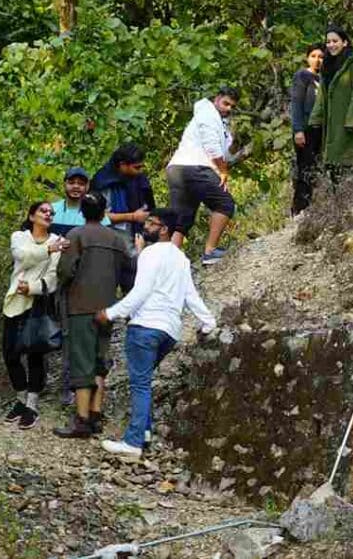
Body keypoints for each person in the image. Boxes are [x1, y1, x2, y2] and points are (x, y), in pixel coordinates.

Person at [95, 208, 217, 459]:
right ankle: (146, 431)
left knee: (140, 384)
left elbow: (141, 292)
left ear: (164, 229)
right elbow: (190, 295)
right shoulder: (181, 259)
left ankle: (133, 443)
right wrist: (208, 322)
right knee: (145, 380)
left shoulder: (151, 253)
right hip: (169, 331)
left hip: (145, 326)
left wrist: (111, 312)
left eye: (151, 223)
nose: (145, 225)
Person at [53, 192, 133, 438]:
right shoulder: (118, 239)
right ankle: (96, 414)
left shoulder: (76, 236)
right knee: (100, 361)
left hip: (80, 306)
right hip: (107, 308)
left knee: (81, 362)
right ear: (104, 212)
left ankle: (82, 421)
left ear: (82, 212)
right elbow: (128, 274)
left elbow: (65, 271)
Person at [3, 201, 69, 430]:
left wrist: (31, 288)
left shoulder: (56, 241)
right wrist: (47, 251)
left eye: (51, 212)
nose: (48, 214)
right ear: (32, 216)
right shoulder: (19, 237)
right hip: (14, 302)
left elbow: (52, 278)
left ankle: (32, 404)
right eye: (43, 210)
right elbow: (22, 256)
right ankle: (20, 398)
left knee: (35, 353)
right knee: (10, 353)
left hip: (38, 301)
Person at [165, 87, 240, 266]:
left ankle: (169, 261)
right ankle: (210, 251)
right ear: (217, 98)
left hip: (176, 168)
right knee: (225, 203)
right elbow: (213, 149)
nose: (228, 108)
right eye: (225, 103)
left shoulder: (217, 121)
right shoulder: (207, 114)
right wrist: (223, 171)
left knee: (182, 217)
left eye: (232, 106)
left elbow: (224, 152)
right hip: (194, 167)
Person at [308, 25, 353, 186]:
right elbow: (321, 95)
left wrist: (352, 119)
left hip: (347, 123)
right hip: (330, 122)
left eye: (335, 41)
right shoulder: (326, 65)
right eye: (328, 42)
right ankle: (338, 204)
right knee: (333, 166)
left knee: (347, 164)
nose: (331, 45)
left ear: (345, 42)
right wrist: (315, 118)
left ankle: (350, 204)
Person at [92, 143, 156, 246]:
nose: (140, 171)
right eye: (136, 167)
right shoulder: (105, 182)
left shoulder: (140, 180)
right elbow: (98, 217)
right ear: (122, 165)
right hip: (112, 239)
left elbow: (150, 208)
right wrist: (132, 217)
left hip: (141, 236)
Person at [289, 44, 323, 214]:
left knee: (316, 168)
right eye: (314, 56)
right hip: (305, 129)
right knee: (305, 169)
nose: (317, 60)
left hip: (321, 130)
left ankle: (312, 207)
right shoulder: (302, 76)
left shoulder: (324, 78)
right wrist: (298, 130)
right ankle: (299, 209)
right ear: (307, 58)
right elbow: (296, 103)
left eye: (321, 56)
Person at [50, 167, 90, 237]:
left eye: (81, 184)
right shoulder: (50, 209)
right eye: (71, 183)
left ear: (87, 187)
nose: (76, 186)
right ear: (64, 184)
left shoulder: (95, 211)